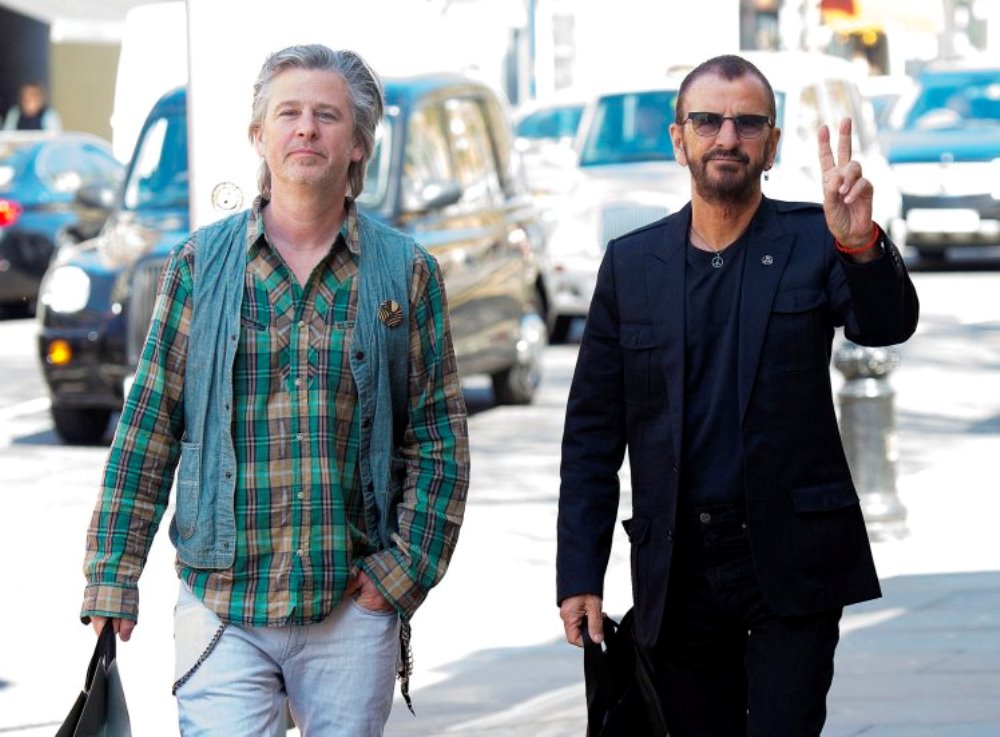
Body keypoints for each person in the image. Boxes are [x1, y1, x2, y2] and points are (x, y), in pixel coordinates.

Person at [79, 44, 470, 736]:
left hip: (351, 607)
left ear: (358, 144)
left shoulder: (405, 273)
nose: (306, 128)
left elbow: (439, 442)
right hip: (222, 605)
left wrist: (402, 572)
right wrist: (114, 570)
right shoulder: (200, 265)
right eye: (289, 113)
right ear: (259, 134)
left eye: (327, 116)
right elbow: (149, 427)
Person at [557, 54, 918, 736]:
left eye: (748, 123)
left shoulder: (817, 239)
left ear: (772, 144)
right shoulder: (631, 265)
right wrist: (580, 571)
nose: (728, 137)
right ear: (679, 138)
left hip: (791, 557)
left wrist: (861, 245)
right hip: (677, 566)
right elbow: (592, 436)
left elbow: (885, 325)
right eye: (708, 121)